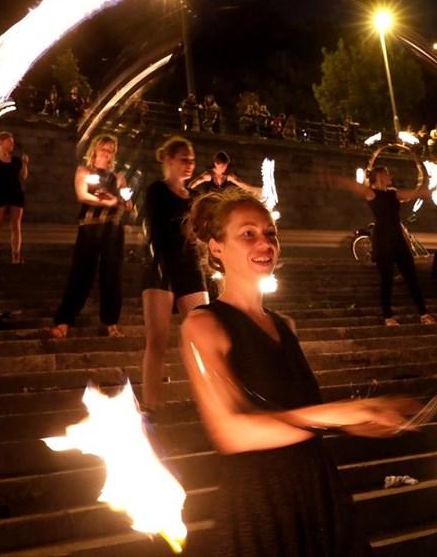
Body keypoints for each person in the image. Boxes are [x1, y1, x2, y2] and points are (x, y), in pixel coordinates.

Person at [179, 188, 418, 555]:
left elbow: (294, 413)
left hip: (316, 491)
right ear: (216, 248)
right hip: (264, 502)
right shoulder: (203, 324)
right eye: (248, 233)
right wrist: (340, 414)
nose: (265, 242)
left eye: (270, 232)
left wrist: (362, 419)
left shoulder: (283, 324)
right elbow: (231, 431)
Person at [140, 137, 209, 412]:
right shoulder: (157, 190)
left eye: (192, 159)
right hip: (161, 268)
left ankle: (210, 401)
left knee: (204, 337)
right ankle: (151, 404)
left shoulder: (194, 197)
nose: (190, 164)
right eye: (184, 159)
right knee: (157, 340)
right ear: (168, 160)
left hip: (191, 267)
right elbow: (157, 230)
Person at [324, 166, 435, 326]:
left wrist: (428, 191)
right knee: (386, 279)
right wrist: (333, 178)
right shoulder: (371, 193)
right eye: (387, 173)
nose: (390, 175)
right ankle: (388, 317)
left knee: (412, 277)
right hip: (383, 241)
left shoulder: (392, 193)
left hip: (397, 239)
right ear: (380, 175)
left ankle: (424, 314)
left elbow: (411, 194)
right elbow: (352, 186)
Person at [51, 134, 130, 339]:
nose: (107, 153)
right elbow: (82, 195)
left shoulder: (118, 176)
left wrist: (125, 202)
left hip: (112, 229)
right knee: (81, 273)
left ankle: (111, 324)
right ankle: (64, 321)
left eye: (111, 149)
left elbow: (126, 201)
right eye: (104, 148)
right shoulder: (84, 171)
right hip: (90, 227)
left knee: (112, 276)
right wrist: (105, 202)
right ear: (95, 149)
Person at [0, 131, 28, 264]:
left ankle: (16, 257)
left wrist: (25, 164)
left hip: (15, 193)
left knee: (16, 226)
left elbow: (24, 176)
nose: (12, 144)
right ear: (1, 143)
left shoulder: (15, 160)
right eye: (9, 141)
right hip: (1, 193)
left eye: (12, 142)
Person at [188, 151, 257, 195]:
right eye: (222, 166)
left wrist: (255, 190)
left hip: (221, 204)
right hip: (209, 204)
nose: (225, 168)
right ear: (216, 164)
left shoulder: (228, 176)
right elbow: (193, 183)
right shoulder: (208, 175)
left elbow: (242, 185)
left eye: (226, 165)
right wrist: (188, 193)